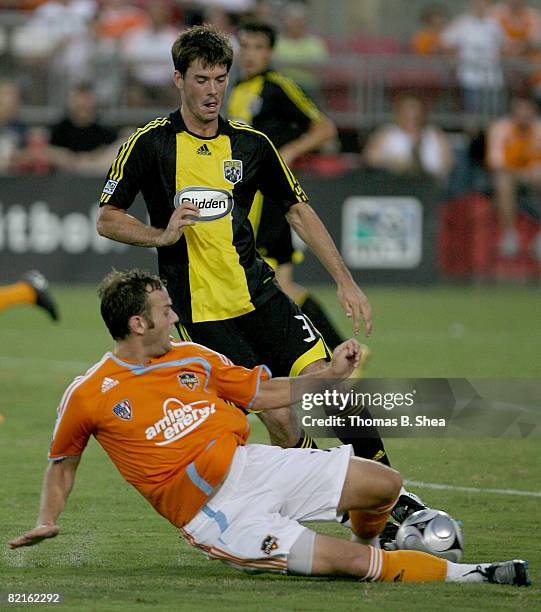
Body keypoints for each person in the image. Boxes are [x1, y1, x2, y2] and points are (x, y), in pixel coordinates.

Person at [7, 269, 531, 587]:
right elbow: (63, 461)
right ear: (137, 324)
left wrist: (329, 374)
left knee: (384, 484)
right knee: (349, 564)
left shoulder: (194, 357)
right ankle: (475, 574)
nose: (174, 318)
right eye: (165, 311)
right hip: (216, 514)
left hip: (253, 465)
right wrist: (48, 518)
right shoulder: (89, 392)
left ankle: (378, 539)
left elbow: (263, 394)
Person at [96, 25, 371, 454]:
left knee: (332, 388)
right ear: (178, 79)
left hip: (260, 293)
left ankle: (394, 500)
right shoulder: (149, 144)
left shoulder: (252, 143)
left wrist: (344, 280)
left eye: (220, 79)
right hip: (203, 312)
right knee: (278, 415)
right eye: (201, 79)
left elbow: (299, 210)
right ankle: (332, 485)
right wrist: (161, 234)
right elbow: (107, 219)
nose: (212, 91)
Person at [486, 93, 541, 258]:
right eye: (519, 108)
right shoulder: (499, 128)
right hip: (508, 179)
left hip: (535, 178)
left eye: (527, 108)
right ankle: (509, 235)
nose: (523, 113)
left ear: (534, 110)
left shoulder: (539, 129)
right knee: (503, 180)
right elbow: (495, 163)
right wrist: (521, 173)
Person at [363, 93, 454, 183]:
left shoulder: (435, 135)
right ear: (398, 113)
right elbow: (370, 159)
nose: (411, 116)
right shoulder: (386, 133)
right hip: (394, 184)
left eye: (416, 112)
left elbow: (448, 164)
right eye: (406, 112)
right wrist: (392, 162)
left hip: (430, 186)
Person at [441, 0, 506, 115]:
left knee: (493, 113)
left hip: (492, 77)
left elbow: (504, 46)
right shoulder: (462, 23)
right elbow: (445, 42)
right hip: (469, 77)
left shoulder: (495, 24)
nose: (480, 6)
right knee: (472, 115)